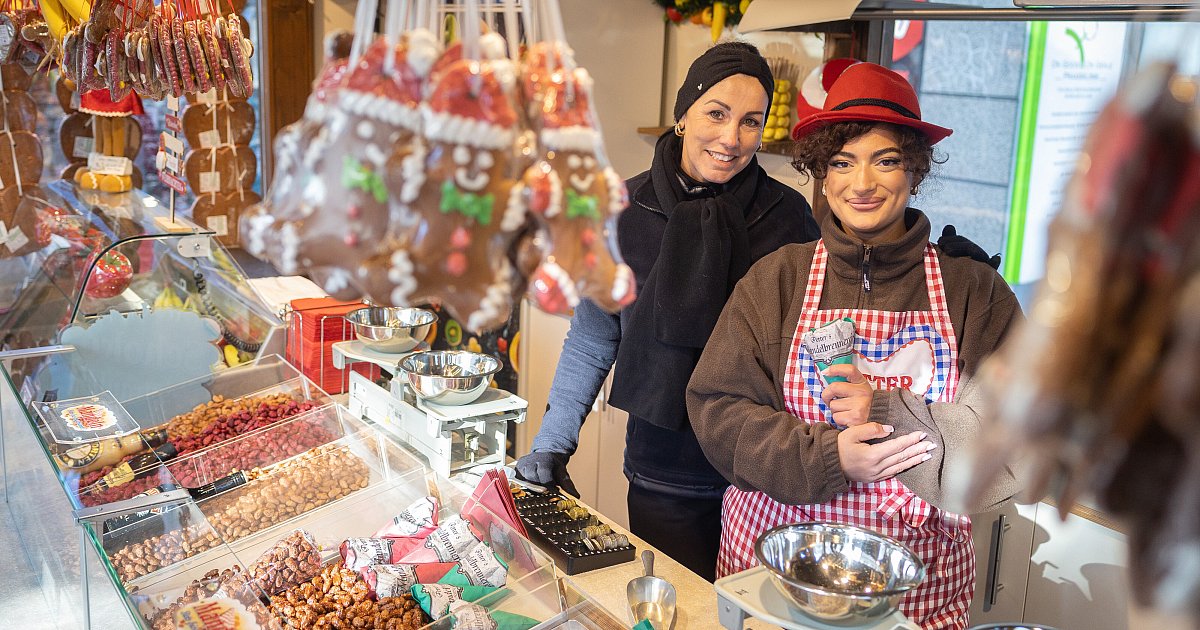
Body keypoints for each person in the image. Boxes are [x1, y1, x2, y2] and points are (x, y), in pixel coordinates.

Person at [685, 62, 1023, 628]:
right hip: (777, 574)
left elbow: (1015, 442)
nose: (860, 184)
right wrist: (829, 456)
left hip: (918, 585)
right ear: (821, 172)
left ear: (915, 169)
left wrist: (888, 413)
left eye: (885, 160)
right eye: (841, 162)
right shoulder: (779, 279)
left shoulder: (973, 292)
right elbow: (717, 410)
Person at [514, 41, 821, 581]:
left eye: (751, 122)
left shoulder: (787, 217)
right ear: (683, 115)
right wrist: (553, 441)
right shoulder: (624, 213)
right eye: (716, 113)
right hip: (665, 472)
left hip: (763, 478)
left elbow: (817, 337)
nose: (731, 139)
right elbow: (592, 336)